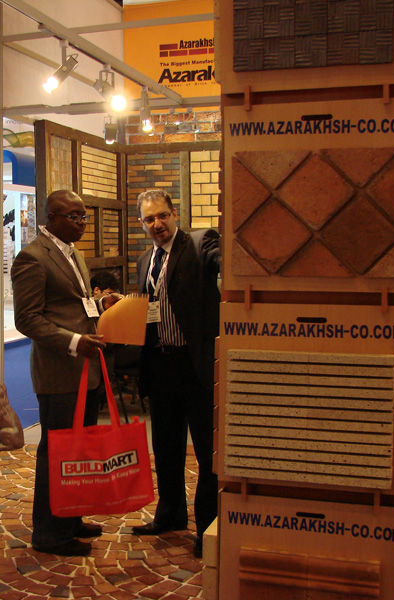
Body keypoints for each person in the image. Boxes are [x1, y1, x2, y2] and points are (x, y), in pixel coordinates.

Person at [11, 189, 118, 557]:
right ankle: (49, 534)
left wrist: (102, 303)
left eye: (84, 216)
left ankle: (71, 520)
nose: (82, 223)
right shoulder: (32, 257)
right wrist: (74, 342)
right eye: (74, 216)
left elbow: (75, 305)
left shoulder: (74, 254)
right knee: (56, 454)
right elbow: (27, 319)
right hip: (59, 372)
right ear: (52, 218)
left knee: (78, 453)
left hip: (85, 370)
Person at [131, 188, 220, 559]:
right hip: (160, 365)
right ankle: (170, 514)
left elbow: (219, 260)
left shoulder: (199, 245)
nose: (157, 224)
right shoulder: (144, 261)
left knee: (207, 454)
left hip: (195, 366)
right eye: (149, 219)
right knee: (165, 448)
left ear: (175, 214)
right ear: (142, 224)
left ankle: (208, 527)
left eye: (162, 215)